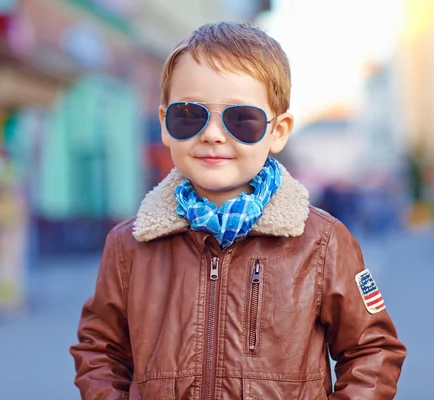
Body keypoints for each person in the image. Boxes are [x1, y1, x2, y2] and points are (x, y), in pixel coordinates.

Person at [70, 21, 406, 399]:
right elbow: (100, 351)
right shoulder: (128, 245)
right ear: (165, 124)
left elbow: (372, 350)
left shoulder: (322, 243)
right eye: (190, 116)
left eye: (241, 119)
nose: (213, 134)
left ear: (278, 131)